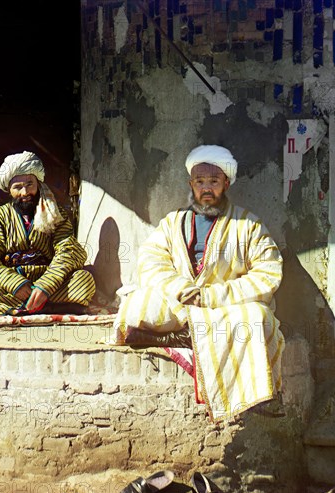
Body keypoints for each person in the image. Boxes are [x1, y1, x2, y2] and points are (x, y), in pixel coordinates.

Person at [113, 145, 285, 422]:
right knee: (137, 306)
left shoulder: (248, 225)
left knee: (256, 317)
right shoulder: (172, 222)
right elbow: (151, 261)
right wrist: (181, 289)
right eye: (200, 181)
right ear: (191, 184)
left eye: (214, 181)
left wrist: (212, 296)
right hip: (180, 301)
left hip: (224, 307)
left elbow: (268, 273)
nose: (207, 188)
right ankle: (188, 331)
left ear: (226, 183)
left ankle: (254, 393)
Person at [0, 151, 96, 315]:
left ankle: (22, 307)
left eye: (29, 185)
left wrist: (45, 285)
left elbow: (68, 251)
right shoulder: (0, 217)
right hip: (13, 285)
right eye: (17, 187)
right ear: (9, 191)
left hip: (49, 282)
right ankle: (49, 307)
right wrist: (13, 283)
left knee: (84, 281)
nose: (25, 192)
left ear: (38, 184)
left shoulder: (55, 213)